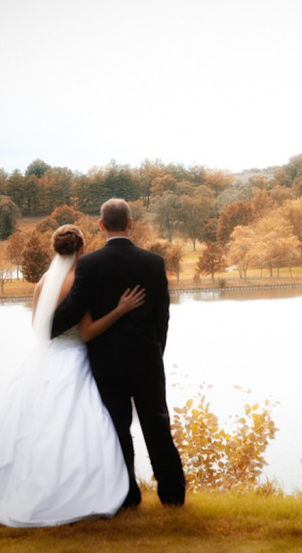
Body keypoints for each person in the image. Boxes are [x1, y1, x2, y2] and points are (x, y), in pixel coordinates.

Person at [0, 224, 141, 527]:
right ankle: (75, 493)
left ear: (55, 250)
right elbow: (88, 330)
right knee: (81, 426)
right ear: (82, 249)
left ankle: (29, 485)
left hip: (45, 360)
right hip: (76, 360)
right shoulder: (80, 281)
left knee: (36, 426)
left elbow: (38, 330)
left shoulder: (43, 281)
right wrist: (120, 309)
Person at [52, 198, 186, 508]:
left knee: (117, 429)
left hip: (106, 362)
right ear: (130, 223)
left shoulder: (89, 264)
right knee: (157, 426)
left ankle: (127, 496)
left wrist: (49, 328)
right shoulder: (153, 262)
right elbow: (162, 317)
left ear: (100, 226)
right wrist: (156, 352)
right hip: (146, 360)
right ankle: (172, 495)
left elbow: (73, 310)